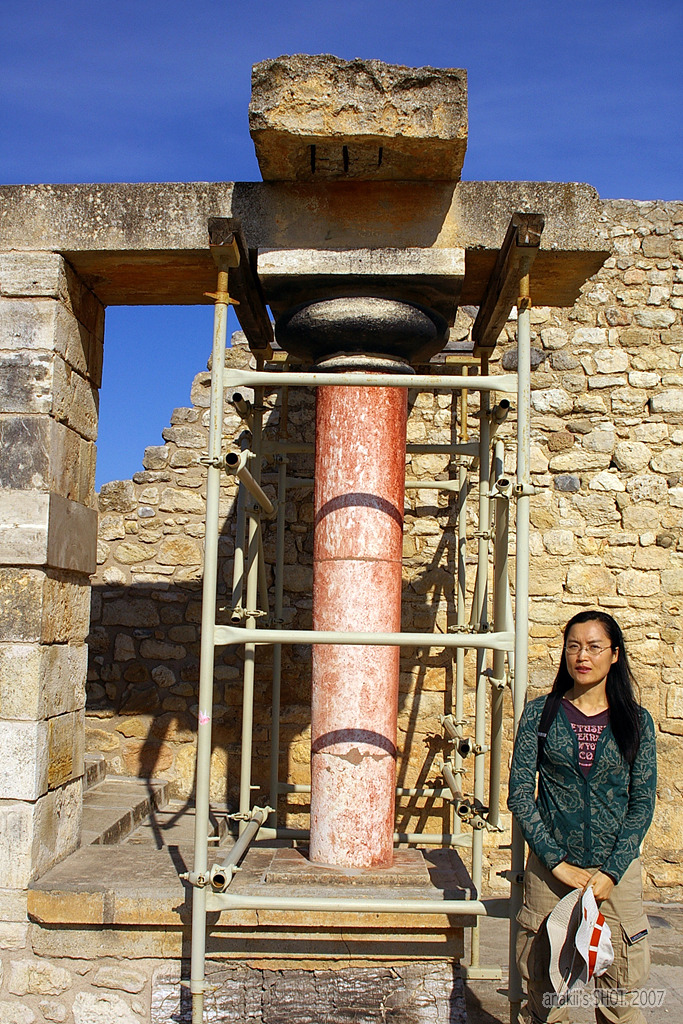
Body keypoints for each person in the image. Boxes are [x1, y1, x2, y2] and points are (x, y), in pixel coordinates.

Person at [508, 610, 657, 1024]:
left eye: (594, 647)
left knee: (620, 999)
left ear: (615, 654)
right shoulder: (540, 715)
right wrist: (555, 862)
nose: (582, 656)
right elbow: (520, 795)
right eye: (573, 646)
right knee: (546, 998)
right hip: (550, 876)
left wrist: (611, 872)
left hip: (616, 876)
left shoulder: (637, 722)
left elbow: (642, 803)